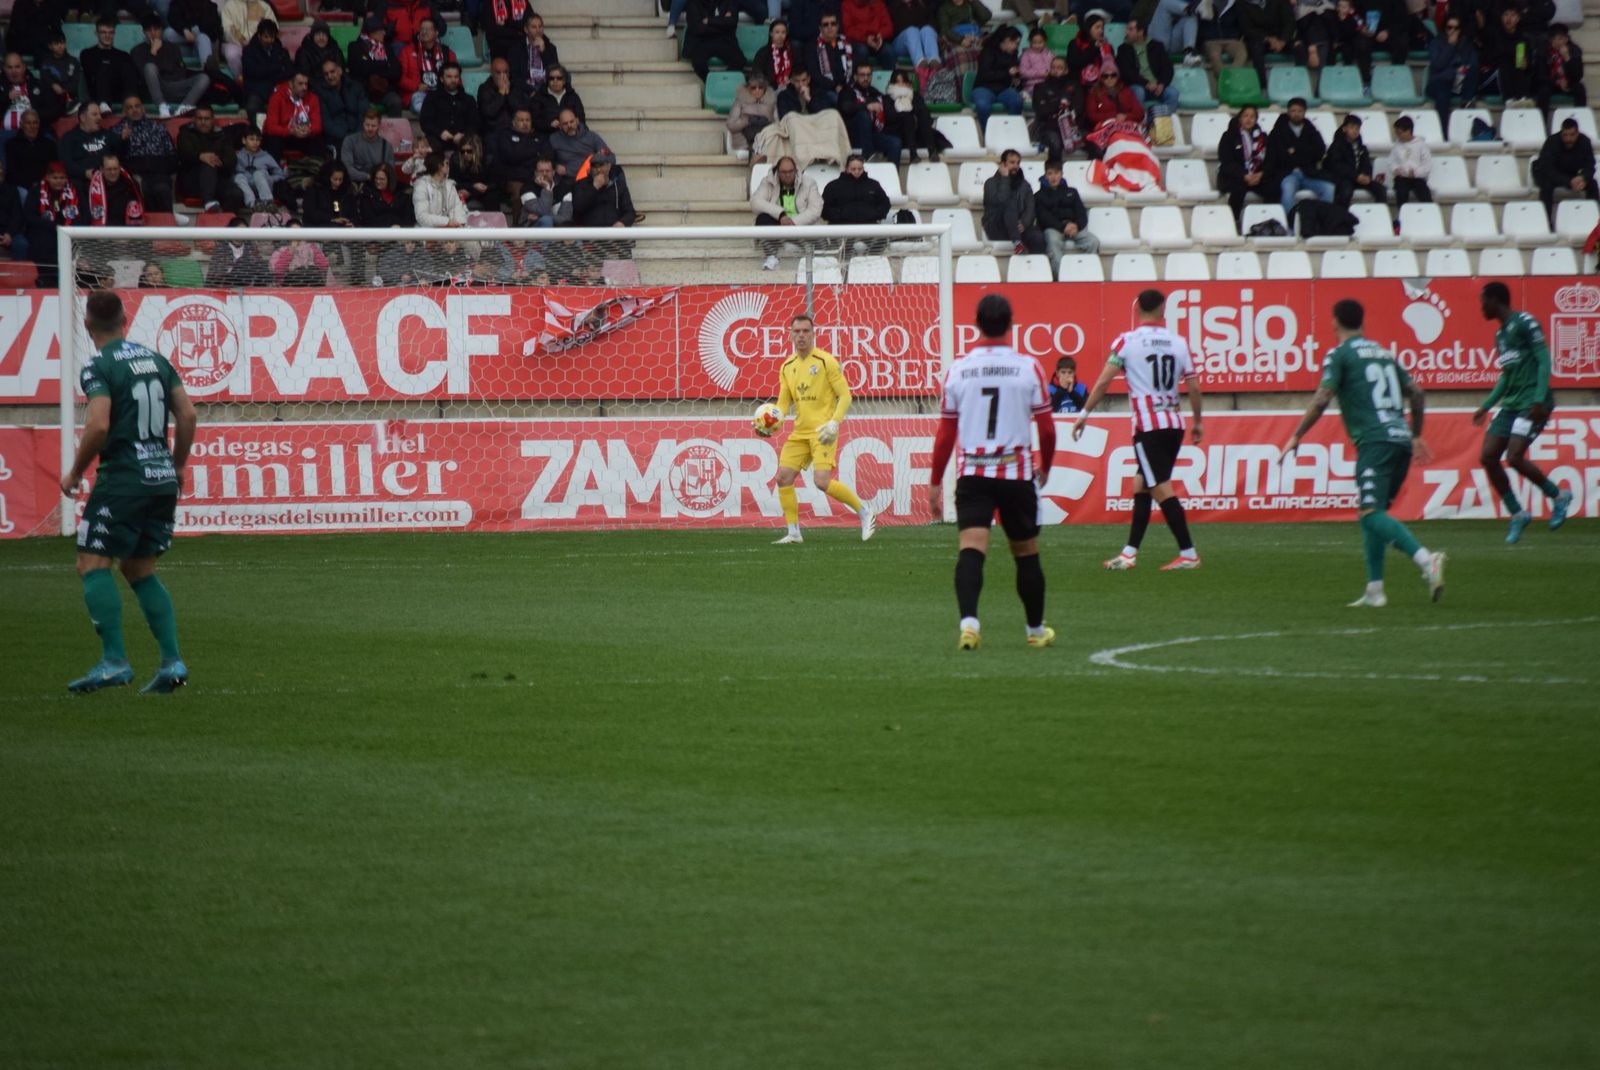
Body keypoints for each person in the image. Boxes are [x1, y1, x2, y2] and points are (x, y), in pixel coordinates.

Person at [59, 290, 197, 694]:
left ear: (87, 325)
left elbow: (99, 426)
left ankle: (114, 662)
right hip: (160, 478)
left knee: (91, 563)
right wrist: (179, 463)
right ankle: (172, 662)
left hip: (123, 479)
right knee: (139, 569)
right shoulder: (156, 359)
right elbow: (187, 413)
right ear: (125, 320)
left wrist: (74, 472)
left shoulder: (98, 366)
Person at [1279, 298, 1445, 607]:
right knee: (1373, 512)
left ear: (1334, 322)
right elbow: (1417, 393)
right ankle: (1375, 590)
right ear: (1362, 322)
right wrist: (1417, 435)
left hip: (1374, 440)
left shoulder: (1340, 354)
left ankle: (1426, 560)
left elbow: (1322, 397)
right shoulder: (1383, 354)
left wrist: (1297, 434)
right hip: (1399, 439)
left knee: (1370, 514)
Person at [925, 293, 1055, 650]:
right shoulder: (1029, 367)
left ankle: (969, 625)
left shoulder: (959, 369)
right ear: (1010, 325)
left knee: (971, 548)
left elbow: (946, 433)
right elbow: (1046, 428)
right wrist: (1047, 463)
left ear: (976, 324)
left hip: (974, 476)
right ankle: (1034, 632)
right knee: (1026, 551)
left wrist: (935, 482)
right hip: (1016, 474)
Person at [1074, 288, 1204, 572]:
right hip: (1174, 425)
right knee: (1141, 484)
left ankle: (1189, 553)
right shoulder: (1179, 343)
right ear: (1163, 310)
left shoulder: (1127, 342)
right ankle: (1129, 553)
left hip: (1149, 427)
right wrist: (1198, 422)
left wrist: (1084, 413)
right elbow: (1193, 385)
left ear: (1137, 310)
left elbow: (1103, 382)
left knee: (1160, 488)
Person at [761, 313, 876, 545]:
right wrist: (770, 423)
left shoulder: (826, 361)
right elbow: (784, 404)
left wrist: (834, 422)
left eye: (806, 331)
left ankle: (864, 511)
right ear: (791, 335)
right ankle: (794, 532)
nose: (801, 335)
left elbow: (845, 396)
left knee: (822, 481)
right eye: (797, 331)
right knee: (783, 478)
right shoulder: (787, 366)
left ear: (814, 334)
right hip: (800, 432)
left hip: (824, 431)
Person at [1474, 281, 1574, 543]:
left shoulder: (1525, 322)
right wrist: (1486, 405)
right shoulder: (1500, 335)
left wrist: (1539, 399)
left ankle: (1559, 496)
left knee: (1514, 456)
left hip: (1532, 403)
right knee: (1488, 457)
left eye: (1483, 301)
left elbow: (1543, 360)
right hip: (1511, 405)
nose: (1481, 306)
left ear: (1495, 300)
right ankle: (1517, 513)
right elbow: (1506, 377)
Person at [1266, 96, 1332, 224]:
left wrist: (1295, 151)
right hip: (1287, 174)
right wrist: (1304, 153)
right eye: (1293, 111)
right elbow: (1279, 156)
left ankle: (1323, 222)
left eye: (1300, 111)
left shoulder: (1311, 130)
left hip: (1308, 174)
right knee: (1288, 188)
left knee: (1328, 188)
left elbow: (1319, 151)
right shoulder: (1278, 132)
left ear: (1305, 112)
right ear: (1288, 112)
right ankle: (1289, 224)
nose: (1296, 114)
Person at [108, 96, 179, 212]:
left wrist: (159, 167)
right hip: (135, 174)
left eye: (137, 106)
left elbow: (171, 156)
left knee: (162, 189)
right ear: (124, 112)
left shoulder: (158, 127)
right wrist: (123, 141)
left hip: (159, 172)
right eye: (130, 108)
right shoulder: (117, 130)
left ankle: (168, 223)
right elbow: (115, 159)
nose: (134, 110)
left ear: (143, 108)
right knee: (145, 190)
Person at [132, 15, 211, 117]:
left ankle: (184, 108)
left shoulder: (173, 47)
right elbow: (144, 75)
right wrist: (153, 52)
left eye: (156, 29)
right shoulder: (137, 50)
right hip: (156, 88)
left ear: (161, 30)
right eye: (149, 30)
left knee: (204, 78)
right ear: (144, 32)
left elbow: (181, 71)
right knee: (149, 67)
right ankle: (162, 106)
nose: (153, 33)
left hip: (176, 86)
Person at [752, 155, 822, 269]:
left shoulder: (809, 183)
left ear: (796, 170)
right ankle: (771, 256)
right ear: (778, 172)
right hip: (779, 226)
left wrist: (793, 221)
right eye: (784, 172)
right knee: (762, 219)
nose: (788, 175)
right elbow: (755, 202)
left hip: (801, 226)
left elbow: (816, 210)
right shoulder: (768, 182)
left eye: (790, 171)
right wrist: (781, 215)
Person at [1036, 157, 1097, 273]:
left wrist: (1076, 226)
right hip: (1054, 229)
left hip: (1074, 228)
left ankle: (1089, 274)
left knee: (1093, 242)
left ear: (1061, 174)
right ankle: (1059, 280)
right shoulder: (1038, 196)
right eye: (1050, 173)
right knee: (1053, 242)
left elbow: (1081, 212)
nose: (1054, 177)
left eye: (1056, 173)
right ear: (1045, 175)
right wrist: (1063, 227)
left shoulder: (1072, 192)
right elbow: (1044, 218)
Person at [821, 153, 891, 253]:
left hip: (869, 228)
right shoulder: (833, 186)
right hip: (841, 229)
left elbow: (885, 203)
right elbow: (825, 209)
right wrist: (841, 215)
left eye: (860, 169)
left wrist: (874, 214)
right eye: (853, 169)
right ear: (846, 168)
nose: (857, 172)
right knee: (845, 252)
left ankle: (871, 266)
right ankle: (845, 268)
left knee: (882, 240)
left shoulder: (873, 185)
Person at [1532, 117, 1597, 224]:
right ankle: (1545, 222)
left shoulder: (1585, 142)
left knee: (1593, 184)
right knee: (1546, 186)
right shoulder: (1552, 142)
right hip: (1548, 174)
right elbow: (1547, 169)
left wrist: (1583, 178)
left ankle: (1594, 221)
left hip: (1570, 173)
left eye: (1571, 135)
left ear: (1577, 134)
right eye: (1565, 135)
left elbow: (1590, 165)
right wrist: (1568, 181)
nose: (1568, 139)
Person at [982, 148, 1044, 254]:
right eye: (1012, 162)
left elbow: (1030, 207)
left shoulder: (1025, 185)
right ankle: (1017, 243)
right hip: (997, 226)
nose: (1016, 166)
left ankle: (1034, 267)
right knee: (1009, 204)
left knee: (1037, 237)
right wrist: (1005, 178)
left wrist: (1024, 223)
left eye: (1018, 163)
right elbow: (1000, 200)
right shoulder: (990, 183)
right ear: (1002, 164)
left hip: (1019, 227)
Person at [838, 64, 902, 163]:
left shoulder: (874, 93)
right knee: (863, 115)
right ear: (855, 76)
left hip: (871, 135)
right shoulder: (847, 91)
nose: (866, 78)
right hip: (851, 136)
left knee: (895, 143)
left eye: (868, 75)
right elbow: (845, 107)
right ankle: (869, 155)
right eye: (862, 75)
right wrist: (867, 106)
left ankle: (892, 176)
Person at [1117, 17, 1178, 114]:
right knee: (1139, 92)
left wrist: (1162, 84)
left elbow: (1168, 68)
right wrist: (1146, 83)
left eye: (1131, 29)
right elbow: (1126, 72)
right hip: (1138, 85)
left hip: (1157, 86)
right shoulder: (1123, 49)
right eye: (1127, 29)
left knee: (1173, 93)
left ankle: (1164, 121)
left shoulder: (1157, 46)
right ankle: (1140, 122)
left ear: (1140, 32)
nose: (1126, 32)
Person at [1425, 14, 1476, 130]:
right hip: (1439, 82)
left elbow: (1472, 63)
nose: (1452, 31)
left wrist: (1463, 68)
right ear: (1444, 28)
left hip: (1458, 82)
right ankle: (1443, 131)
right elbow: (1437, 65)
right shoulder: (1436, 43)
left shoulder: (1466, 44)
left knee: (1472, 74)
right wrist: (1450, 46)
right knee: (1443, 94)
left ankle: (1467, 109)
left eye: (1456, 28)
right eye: (1449, 27)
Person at [79, 18, 142, 110]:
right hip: (97, 93)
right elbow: (91, 73)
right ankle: (104, 103)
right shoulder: (87, 53)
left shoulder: (123, 55)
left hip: (120, 92)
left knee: (128, 68)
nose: (107, 35)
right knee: (104, 68)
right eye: (103, 32)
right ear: (96, 33)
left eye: (111, 32)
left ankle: (132, 103)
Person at [1323, 112, 1383, 207]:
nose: (1355, 131)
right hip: (1343, 179)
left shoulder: (1361, 147)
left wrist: (1366, 176)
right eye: (1352, 127)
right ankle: (1341, 217)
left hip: (1359, 178)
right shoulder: (1336, 146)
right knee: (1346, 191)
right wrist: (1355, 176)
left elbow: (1366, 163)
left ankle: (1380, 213)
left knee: (1380, 189)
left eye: (1357, 128)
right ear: (1344, 128)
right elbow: (1337, 166)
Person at [61, 103, 126, 190]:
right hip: (83, 181)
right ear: (83, 118)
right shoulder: (69, 138)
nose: (99, 118)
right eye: (95, 114)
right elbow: (66, 164)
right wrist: (84, 173)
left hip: (108, 179)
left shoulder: (107, 134)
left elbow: (121, 153)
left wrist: (124, 140)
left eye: (100, 114)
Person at [349, 15, 403, 116]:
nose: (384, 33)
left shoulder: (387, 47)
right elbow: (358, 69)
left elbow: (396, 71)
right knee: (362, 105)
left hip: (384, 90)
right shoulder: (355, 46)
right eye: (380, 30)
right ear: (371, 32)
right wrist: (384, 64)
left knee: (395, 102)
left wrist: (375, 69)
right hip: (364, 91)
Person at [420, 63, 478, 156]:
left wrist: (463, 134)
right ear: (442, 79)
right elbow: (425, 122)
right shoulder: (432, 97)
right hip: (437, 139)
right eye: (449, 77)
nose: (453, 80)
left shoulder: (468, 100)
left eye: (456, 77)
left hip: (462, 140)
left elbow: (474, 123)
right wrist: (440, 132)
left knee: (473, 143)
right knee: (431, 145)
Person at [971, 27, 1025, 128]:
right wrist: (1007, 73)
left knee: (1017, 101)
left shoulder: (1013, 54)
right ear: (1007, 40)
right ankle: (987, 133)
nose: (1016, 47)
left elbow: (1013, 74)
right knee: (983, 105)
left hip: (1003, 89)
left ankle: (1011, 130)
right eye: (1016, 43)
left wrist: (1017, 79)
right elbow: (985, 74)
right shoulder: (988, 52)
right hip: (984, 87)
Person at [400, 17, 456, 114]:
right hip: (420, 94)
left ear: (436, 33)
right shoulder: (407, 51)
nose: (424, 32)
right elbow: (400, 79)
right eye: (422, 29)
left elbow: (456, 77)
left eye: (428, 29)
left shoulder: (447, 53)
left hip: (443, 92)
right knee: (420, 105)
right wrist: (417, 86)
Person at [883, 69, 940, 162]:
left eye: (904, 81)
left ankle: (932, 151)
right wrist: (906, 113)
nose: (901, 85)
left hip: (916, 132)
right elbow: (890, 117)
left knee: (922, 112)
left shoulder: (915, 96)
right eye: (897, 82)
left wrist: (909, 101)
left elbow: (925, 116)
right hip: (898, 133)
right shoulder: (887, 98)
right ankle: (913, 154)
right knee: (907, 116)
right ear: (892, 83)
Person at [1482, 5, 1533, 107]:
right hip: (1494, 75)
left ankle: (1522, 98)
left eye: (1513, 15)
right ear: (1501, 17)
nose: (1509, 19)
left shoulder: (1522, 39)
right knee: (1505, 65)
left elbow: (1527, 63)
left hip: (1513, 77)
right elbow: (1491, 58)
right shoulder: (1494, 35)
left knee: (1519, 67)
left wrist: (1526, 64)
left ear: (1518, 18)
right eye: (1506, 15)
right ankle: (1509, 100)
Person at [315, 59, 370, 155]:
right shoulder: (320, 93)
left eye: (332, 72)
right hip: (337, 138)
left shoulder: (356, 87)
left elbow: (364, 113)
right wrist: (348, 138)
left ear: (340, 71)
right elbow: (326, 123)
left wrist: (357, 135)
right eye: (326, 74)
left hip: (359, 133)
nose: (330, 76)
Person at [570, 149, 636, 228]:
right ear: (590, 169)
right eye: (594, 166)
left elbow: (630, 212)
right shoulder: (581, 184)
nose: (598, 170)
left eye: (601, 165)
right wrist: (594, 187)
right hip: (590, 232)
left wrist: (622, 222)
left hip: (614, 231)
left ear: (609, 166)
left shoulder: (618, 185)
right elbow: (578, 208)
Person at [488, 107, 541, 203]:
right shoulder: (505, 136)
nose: (525, 123)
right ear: (513, 122)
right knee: (519, 192)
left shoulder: (538, 137)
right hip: (513, 179)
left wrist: (522, 155)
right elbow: (511, 157)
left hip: (533, 177)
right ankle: (518, 219)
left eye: (527, 120)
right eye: (521, 120)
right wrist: (532, 154)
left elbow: (541, 157)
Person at [242, 19, 295, 115]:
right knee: (252, 108)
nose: (269, 40)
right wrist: (277, 69)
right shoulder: (248, 52)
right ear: (259, 36)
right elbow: (253, 73)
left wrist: (266, 72)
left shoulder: (282, 52)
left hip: (278, 89)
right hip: (256, 91)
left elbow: (289, 72)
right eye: (266, 37)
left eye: (272, 37)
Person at [684, 0, 745, 82]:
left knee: (739, 60)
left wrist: (709, 21)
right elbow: (697, 27)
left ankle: (722, 82)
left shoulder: (729, 2)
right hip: (702, 40)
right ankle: (713, 83)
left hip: (724, 40)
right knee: (698, 63)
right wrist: (722, 24)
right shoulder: (694, 2)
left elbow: (732, 22)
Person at [2, 51, 62, 134]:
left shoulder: (39, 85)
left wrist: (35, 115)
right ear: (4, 69)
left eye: (17, 67)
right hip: (4, 134)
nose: (14, 71)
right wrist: (7, 98)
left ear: (24, 67)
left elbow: (54, 110)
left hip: (35, 133)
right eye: (10, 67)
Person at [204, 217, 272, 286]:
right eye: (239, 230)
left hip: (247, 286)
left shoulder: (250, 247)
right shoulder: (221, 250)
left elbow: (260, 268)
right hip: (225, 288)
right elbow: (216, 275)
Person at [1241, 0, 1296, 84]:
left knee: (1299, 47)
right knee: (1256, 48)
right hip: (1259, 39)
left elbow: (1289, 22)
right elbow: (1247, 29)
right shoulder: (1242, 3)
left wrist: (1282, 41)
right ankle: (1263, 87)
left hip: (1281, 39)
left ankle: (1298, 83)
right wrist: (1268, 39)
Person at [806, 13, 854, 110]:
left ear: (837, 26)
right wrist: (834, 86)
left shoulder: (847, 44)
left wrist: (844, 87)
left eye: (833, 24)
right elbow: (814, 74)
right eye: (826, 24)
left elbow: (852, 69)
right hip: (824, 90)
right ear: (820, 28)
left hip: (846, 88)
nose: (830, 27)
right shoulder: (812, 47)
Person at [6, 110, 58, 198]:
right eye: (28, 123)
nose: (32, 126)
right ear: (21, 124)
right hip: (23, 186)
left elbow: (54, 167)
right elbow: (12, 172)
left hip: (46, 184)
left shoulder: (49, 144)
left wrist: (43, 182)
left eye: (35, 123)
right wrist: (32, 184)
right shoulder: (11, 145)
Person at [1537, 24, 1586, 115]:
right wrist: (1557, 82)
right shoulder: (1543, 51)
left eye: (1560, 39)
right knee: (1543, 91)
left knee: (1580, 88)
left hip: (1568, 82)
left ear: (1566, 39)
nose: (1557, 42)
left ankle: (1580, 118)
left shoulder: (1575, 51)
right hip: (1551, 83)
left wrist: (1567, 58)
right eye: (1553, 39)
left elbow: (1578, 75)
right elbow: (1541, 75)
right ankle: (1541, 123)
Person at [1387, 115, 1432, 210]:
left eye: (1400, 133)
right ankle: (1402, 217)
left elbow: (1427, 165)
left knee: (1424, 193)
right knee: (1401, 193)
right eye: (1396, 133)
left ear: (1408, 131)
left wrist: (1416, 173)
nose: (1398, 136)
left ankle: (1429, 215)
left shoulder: (1421, 145)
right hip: (1402, 178)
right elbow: (1391, 161)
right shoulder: (1397, 146)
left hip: (1417, 178)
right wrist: (1395, 169)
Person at [509, 12, 559, 98]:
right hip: (525, 91)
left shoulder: (550, 48)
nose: (538, 30)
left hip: (546, 92)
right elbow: (515, 77)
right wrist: (531, 91)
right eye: (534, 27)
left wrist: (544, 52)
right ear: (526, 29)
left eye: (540, 26)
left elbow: (554, 73)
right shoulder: (516, 49)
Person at [220, 0, 275, 78]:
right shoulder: (229, 6)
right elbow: (227, 29)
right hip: (234, 44)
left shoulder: (263, 6)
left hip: (259, 44)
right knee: (232, 55)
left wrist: (254, 43)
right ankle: (240, 80)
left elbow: (272, 27)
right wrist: (242, 41)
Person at [548, 107, 608, 177]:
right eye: (565, 123)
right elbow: (549, 162)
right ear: (560, 126)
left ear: (577, 121)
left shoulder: (591, 136)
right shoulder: (554, 139)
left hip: (590, 177)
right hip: (566, 181)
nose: (569, 125)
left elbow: (609, 156)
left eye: (571, 121)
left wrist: (569, 170)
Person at [412, 150, 468, 226]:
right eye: (447, 163)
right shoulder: (421, 186)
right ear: (439, 166)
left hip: (450, 231)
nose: (449, 167)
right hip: (428, 232)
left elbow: (457, 208)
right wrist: (447, 222)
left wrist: (460, 223)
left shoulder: (450, 185)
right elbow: (422, 217)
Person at [728, 75, 777, 157]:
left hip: (766, 139)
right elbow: (731, 125)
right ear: (748, 89)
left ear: (765, 89)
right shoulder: (739, 102)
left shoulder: (772, 102)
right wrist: (747, 120)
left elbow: (778, 124)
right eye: (753, 88)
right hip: (744, 140)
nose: (757, 90)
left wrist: (767, 122)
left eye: (760, 87)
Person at [478, 57, 531, 135]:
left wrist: (508, 93)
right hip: (493, 132)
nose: (503, 76)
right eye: (498, 73)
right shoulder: (484, 88)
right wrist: (501, 93)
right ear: (492, 73)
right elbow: (489, 112)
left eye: (505, 72)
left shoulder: (515, 87)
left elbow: (520, 110)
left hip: (515, 130)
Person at [234, 126, 284, 206]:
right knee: (238, 177)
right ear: (244, 140)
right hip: (247, 188)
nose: (255, 143)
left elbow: (280, 174)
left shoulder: (266, 156)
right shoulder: (238, 156)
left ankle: (268, 203)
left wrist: (270, 179)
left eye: (258, 140)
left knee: (258, 174)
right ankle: (253, 204)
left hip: (264, 187)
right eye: (251, 139)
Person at [38, 31, 82, 123]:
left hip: (69, 98)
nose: (60, 46)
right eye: (56, 44)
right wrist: (53, 84)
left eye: (62, 43)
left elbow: (75, 84)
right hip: (51, 99)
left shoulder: (73, 61)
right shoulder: (46, 62)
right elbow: (44, 78)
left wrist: (63, 90)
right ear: (50, 46)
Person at [842, 0, 897, 70]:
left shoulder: (879, 3)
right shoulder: (847, 4)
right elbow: (848, 30)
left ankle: (890, 79)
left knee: (889, 51)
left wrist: (880, 35)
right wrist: (866, 38)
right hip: (858, 41)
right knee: (862, 51)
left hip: (877, 41)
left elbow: (889, 27)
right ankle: (860, 79)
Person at [888, 0, 941, 71]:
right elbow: (895, 28)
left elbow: (932, 24)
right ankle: (921, 64)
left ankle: (934, 61)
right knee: (912, 31)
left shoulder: (920, 5)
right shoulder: (893, 6)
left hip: (921, 41)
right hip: (900, 43)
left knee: (927, 29)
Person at [530, 65, 584, 136]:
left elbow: (581, 118)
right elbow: (533, 120)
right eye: (551, 78)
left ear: (564, 80)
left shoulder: (573, 96)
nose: (555, 81)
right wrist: (549, 124)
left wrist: (572, 123)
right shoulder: (539, 97)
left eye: (559, 78)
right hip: (547, 136)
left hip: (570, 136)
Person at [356, 161, 414, 226]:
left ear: (390, 179)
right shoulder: (367, 193)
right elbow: (368, 220)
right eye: (376, 178)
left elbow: (408, 218)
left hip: (400, 231)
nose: (378, 181)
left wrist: (399, 226)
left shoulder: (403, 192)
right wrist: (390, 223)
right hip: (376, 233)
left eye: (382, 179)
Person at [303, 158, 357, 226]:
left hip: (343, 231)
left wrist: (351, 223)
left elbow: (354, 215)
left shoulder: (348, 192)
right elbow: (310, 214)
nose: (338, 183)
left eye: (340, 179)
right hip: (319, 230)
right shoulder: (314, 190)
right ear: (327, 177)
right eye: (335, 179)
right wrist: (332, 219)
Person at [754, 19, 805, 90]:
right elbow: (758, 74)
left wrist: (792, 79)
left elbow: (799, 69)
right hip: (769, 88)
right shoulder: (763, 53)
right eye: (777, 32)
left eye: (783, 32)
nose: (780, 35)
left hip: (791, 87)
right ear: (771, 33)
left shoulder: (793, 50)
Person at [1019, 28, 1054, 99]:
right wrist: (1042, 74)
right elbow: (1023, 72)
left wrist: (1052, 72)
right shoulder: (1026, 54)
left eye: (1040, 42)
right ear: (1029, 41)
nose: (1037, 45)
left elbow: (1054, 66)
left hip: (1048, 84)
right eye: (1034, 43)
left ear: (1045, 41)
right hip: (1032, 86)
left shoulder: (1049, 53)